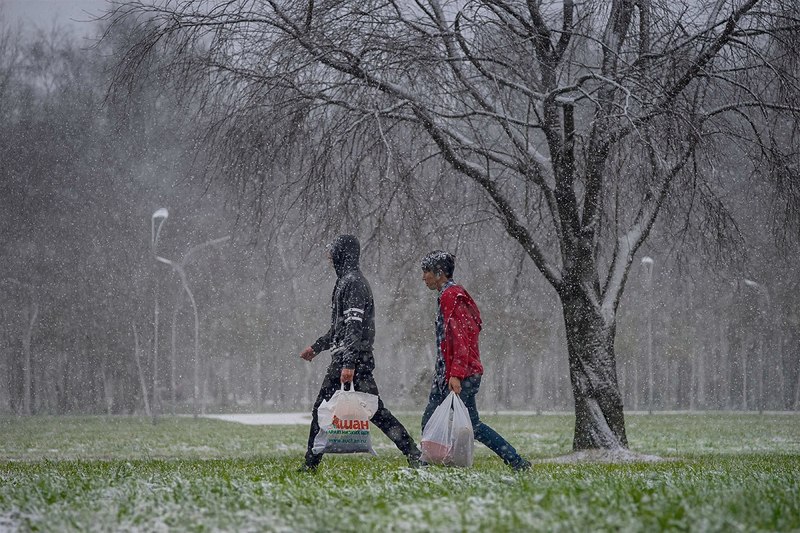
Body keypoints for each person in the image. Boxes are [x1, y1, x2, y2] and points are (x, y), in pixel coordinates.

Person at [299, 234, 422, 471]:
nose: (328, 256)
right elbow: (339, 328)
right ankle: (413, 452)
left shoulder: (353, 283)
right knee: (375, 411)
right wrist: (316, 347)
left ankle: (311, 463)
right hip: (351, 357)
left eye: (331, 251)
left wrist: (349, 364)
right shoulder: (346, 281)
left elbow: (354, 327)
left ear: (342, 254)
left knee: (324, 408)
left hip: (352, 359)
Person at [420, 250, 531, 471]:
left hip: (459, 375)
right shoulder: (447, 296)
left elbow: (462, 338)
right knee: (436, 421)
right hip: (449, 374)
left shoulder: (452, 297)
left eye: (426, 272)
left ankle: (517, 462)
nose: (423, 277)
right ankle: (430, 463)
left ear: (439, 273)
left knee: (465, 425)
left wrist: (456, 374)